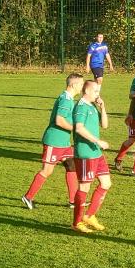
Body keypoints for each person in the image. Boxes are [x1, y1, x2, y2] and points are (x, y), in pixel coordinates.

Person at [21, 73, 84, 210]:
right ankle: (28, 197)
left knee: (71, 166)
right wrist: (76, 129)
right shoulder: (66, 100)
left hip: (64, 142)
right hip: (54, 141)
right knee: (47, 171)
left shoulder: (68, 98)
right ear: (73, 85)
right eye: (80, 84)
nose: (82, 87)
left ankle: (73, 201)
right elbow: (59, 120)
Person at [71, 80, 111, 233]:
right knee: (84, 187)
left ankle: (90, 215)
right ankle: (76, 223)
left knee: (106, 183)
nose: (97, 94)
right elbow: (79, 128)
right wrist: (98, 141)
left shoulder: (92, 105)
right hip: (86, 153)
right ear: (87, 91)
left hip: (96, 153)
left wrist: (103, 107)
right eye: (95, 92)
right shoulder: (81, 107)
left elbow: (105, 125)